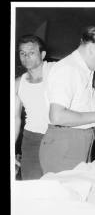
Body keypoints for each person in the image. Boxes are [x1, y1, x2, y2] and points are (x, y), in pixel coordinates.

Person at [39, 26, 95, 174]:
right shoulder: (68, 69)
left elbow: (78, 112)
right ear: (92, 48)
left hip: (78, 144)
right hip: (64, 149)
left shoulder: (85, 70)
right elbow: (57, 116)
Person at [15, 35, 55, 179]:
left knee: (58, 188)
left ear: (42, 54)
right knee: (31, 185)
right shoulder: (18, 83)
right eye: (22, 53)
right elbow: (14, 119)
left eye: (31, 52)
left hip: (57, 137)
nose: (26, 57)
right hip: (31, 139)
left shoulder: (56, 72)